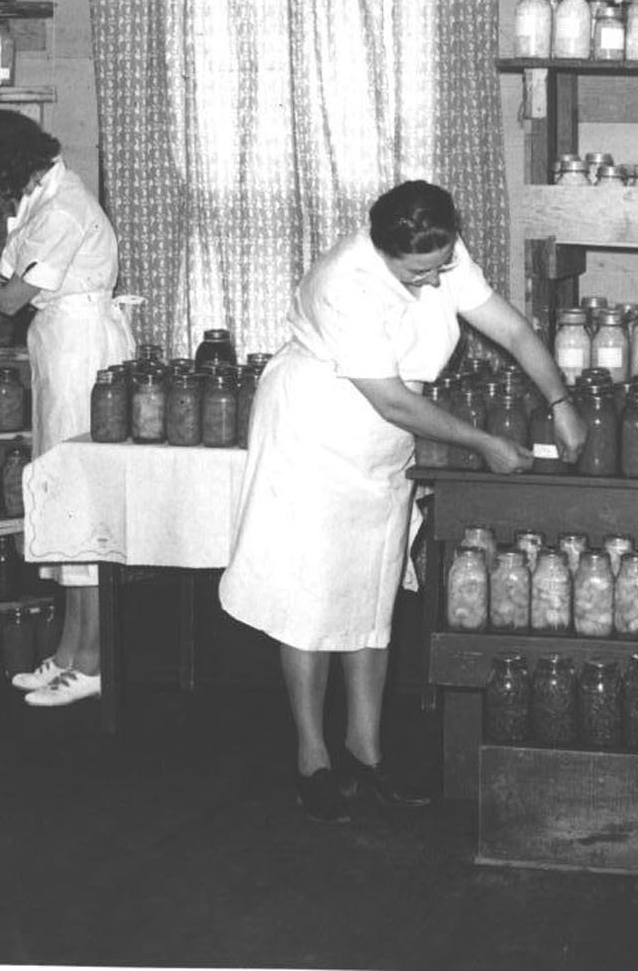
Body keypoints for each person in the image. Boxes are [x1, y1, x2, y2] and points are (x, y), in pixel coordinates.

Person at [218, 180, 587, 822]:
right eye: (418, 273)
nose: (434, 280)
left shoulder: (438, 251)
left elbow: (510, 328)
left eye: (441, 267)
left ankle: (366, 752)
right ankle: (312, 759)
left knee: (371, 595)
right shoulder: (344, 283)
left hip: (381, 444)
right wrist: (484, 443)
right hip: (313, 438)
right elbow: (390, 399)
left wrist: (561, 401)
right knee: (309, 603)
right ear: (382, 249)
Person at [0, 109, 134, 708]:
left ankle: (93, 664)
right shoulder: (48, 191)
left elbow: (12, 299)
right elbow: (24, 269)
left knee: (83, 508)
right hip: (63, 348)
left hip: (82, 355)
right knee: (64, 501)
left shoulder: (63, 206)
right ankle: (69, 652)